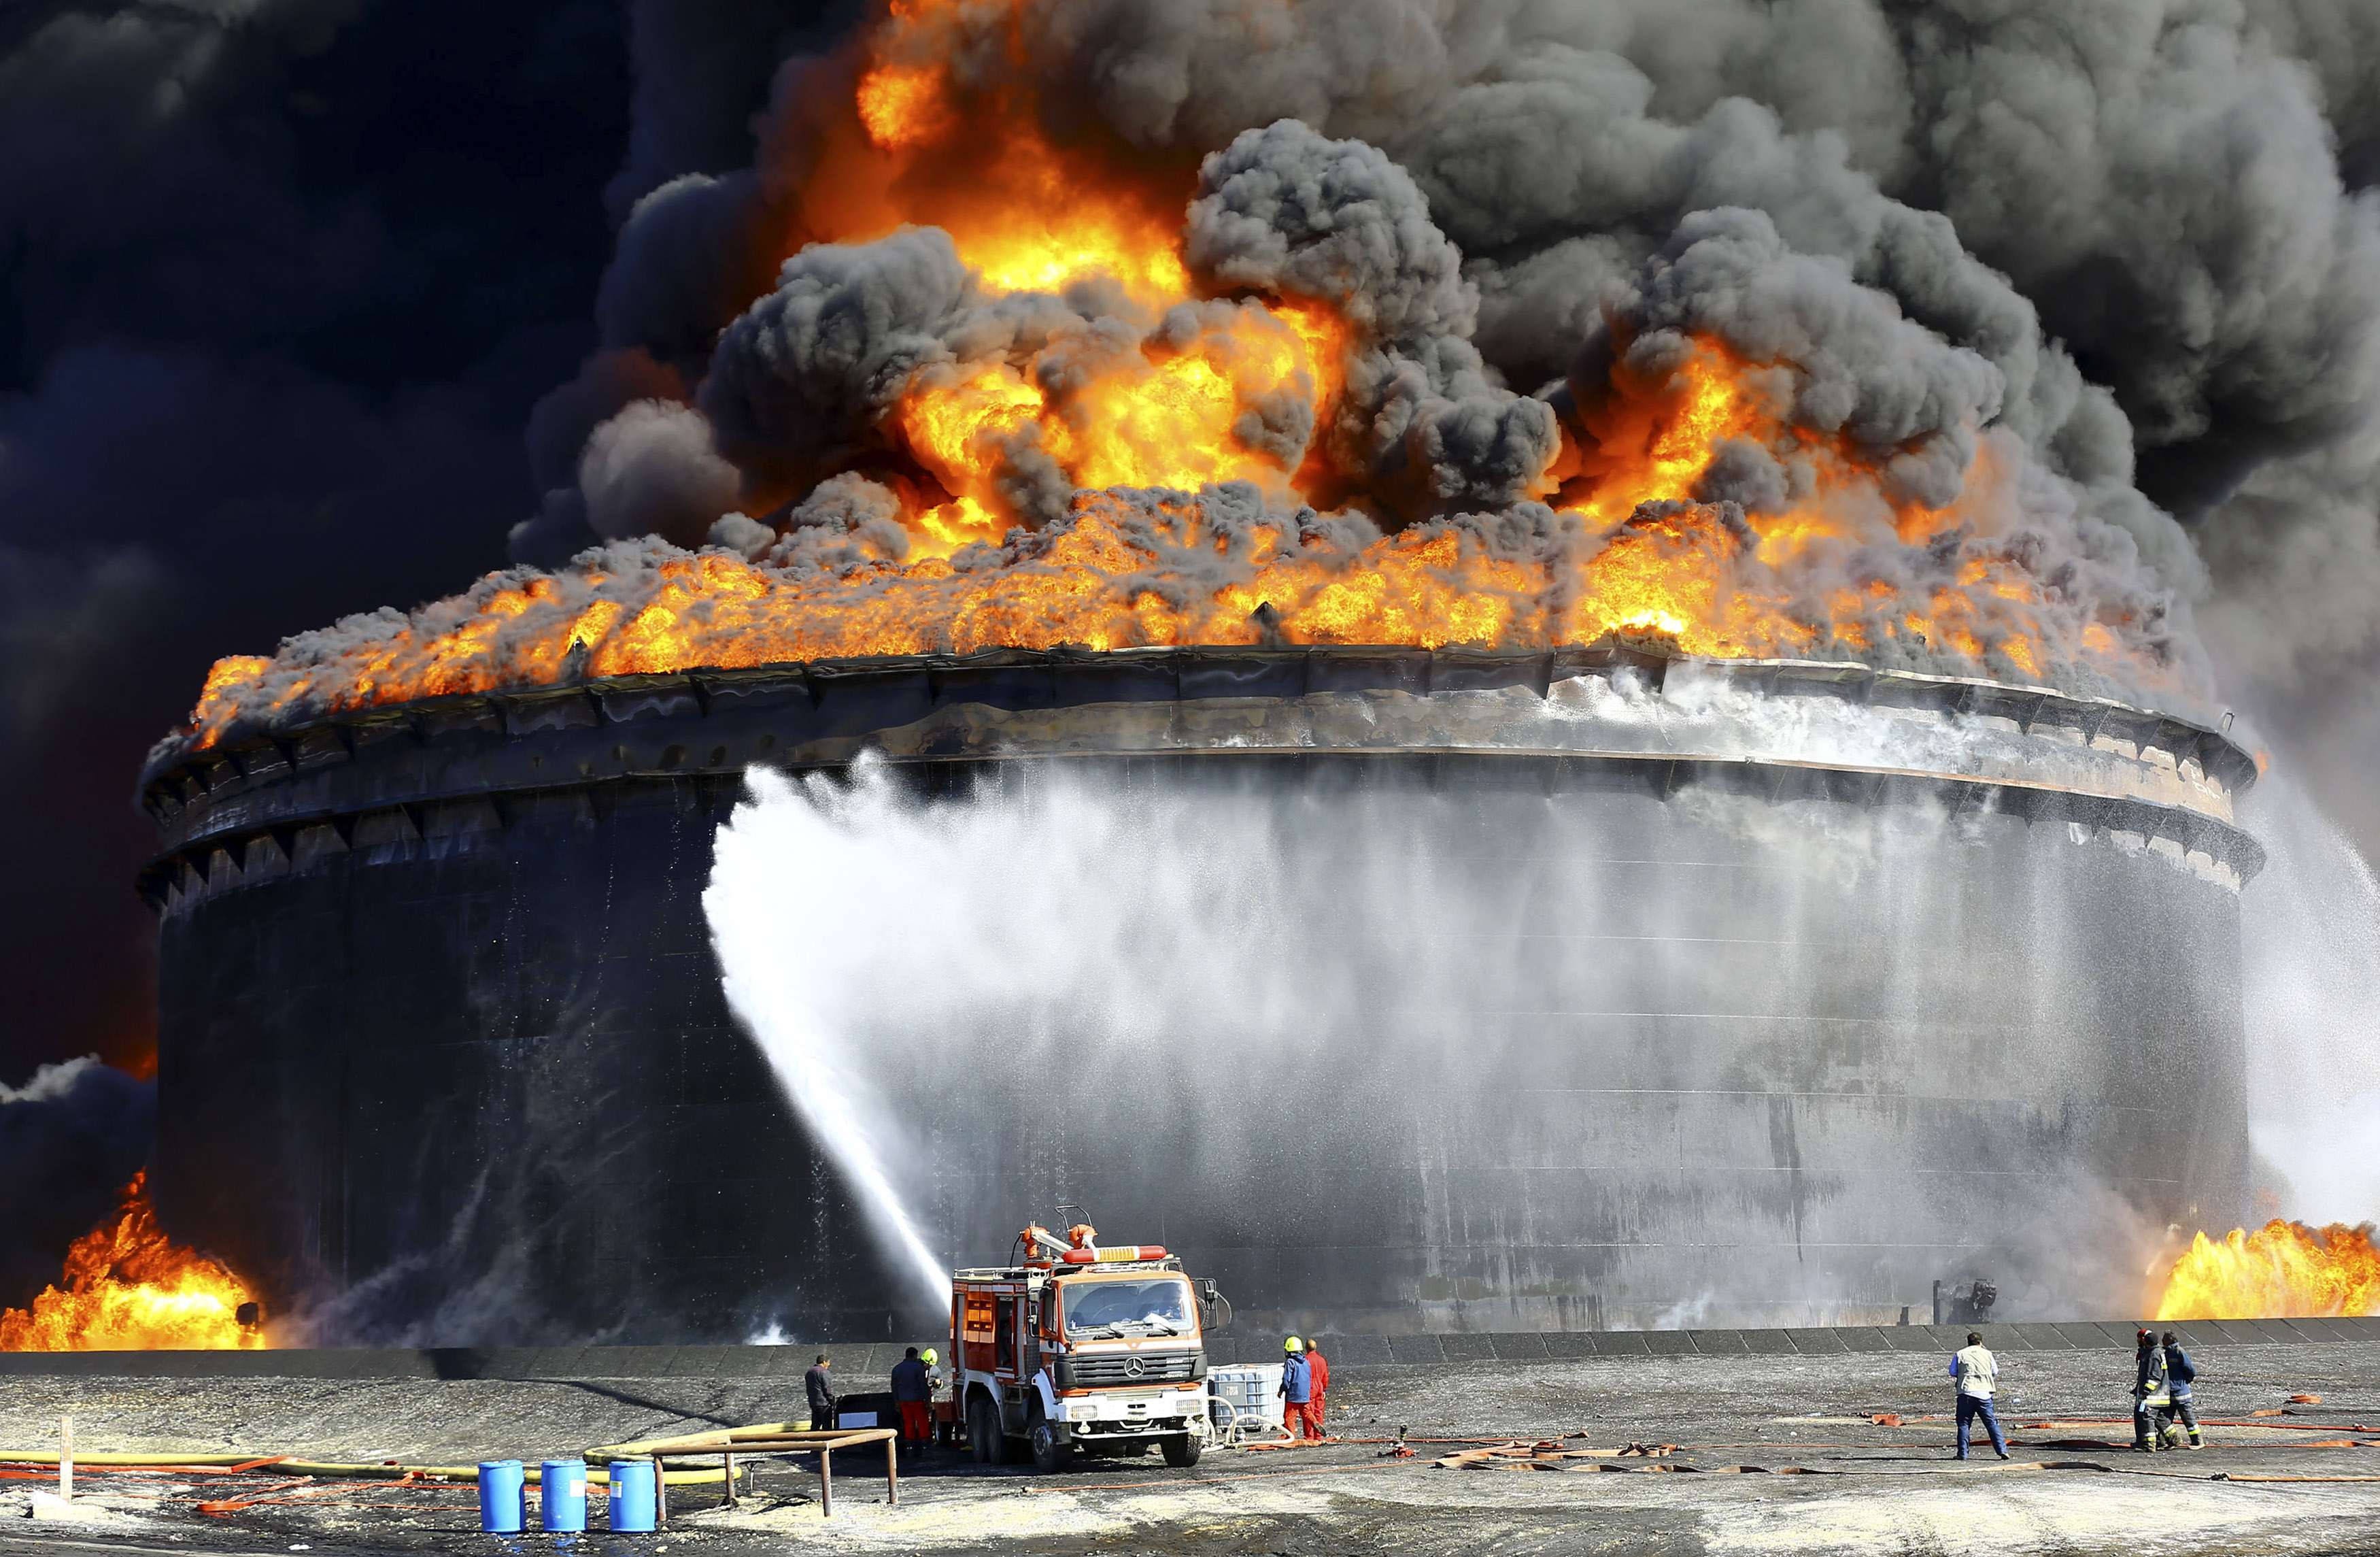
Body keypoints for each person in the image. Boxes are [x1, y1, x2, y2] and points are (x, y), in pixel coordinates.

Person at [1949, 1330, 2009, 1460]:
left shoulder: (1960, 1354)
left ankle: (1963, 1454)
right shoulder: (1988, 1354)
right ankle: (2002, 1450)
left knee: (1964, 1424)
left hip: (1966, 1393)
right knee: (1991, 1423)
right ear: (1980, 1342)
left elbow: (1953, 1372)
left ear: (1968, 1343)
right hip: (1985, 1394)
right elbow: (1995, 1371)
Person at [2160, 1331, 2205, 1448]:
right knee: (2165, 1420)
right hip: (2169, 1394)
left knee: (2188, 1419)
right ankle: (2167, 1441)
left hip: (2181, 1394)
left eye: (2164, 1339)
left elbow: (2191, 1371)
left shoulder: (2179, 1352)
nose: (2162, 1341)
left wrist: (2184, 1382)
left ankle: (2198, 1441)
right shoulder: (2167, 1353)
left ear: (2171, 1339)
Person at [2130, 1328, 2171, 1452]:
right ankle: (2174, 1439)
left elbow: (2154, 1376)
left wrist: (2145, 1392)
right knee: (2159, 1418)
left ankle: (2148, 1445)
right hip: (2157, 1393)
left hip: (2153, 1395)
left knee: (2146, 1417)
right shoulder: (2151, 1352)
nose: (2138, 1341)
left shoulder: (2153, 1354)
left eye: (2139, 1338)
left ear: (2144, 1340)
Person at [890, 1345, 933, 1454]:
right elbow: (923, 1385)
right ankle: (925, 1443)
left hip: (903, 1400)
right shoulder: (919, 1368)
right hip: (917, 1399)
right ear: (915, 1355)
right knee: (922, 1421)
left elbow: (894, 1387)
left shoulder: (897, 1369)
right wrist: (927, 1400)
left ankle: (910, 1443)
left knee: (908, 1422)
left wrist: (897, 1401)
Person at [1278, 1337, 1316, 1441]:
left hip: (1293, 1395)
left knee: (1289, 1417)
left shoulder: (1290, 1362)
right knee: (1306, 1412)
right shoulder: (1306, 1362)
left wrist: (1282, 1390)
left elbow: (1286, 1380)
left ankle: (1291, 1438)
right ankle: (1315, 1422)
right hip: (1305, 1394)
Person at [1304, 1338, 1331, 1440]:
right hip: (1319, 1386)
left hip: (1309, 1388)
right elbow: (1325, 1376)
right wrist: (1324, 1389)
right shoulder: (1322, 1360)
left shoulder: (1305, 1360)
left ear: (1306, 1348)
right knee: (1319, 1411)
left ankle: (1309, 1436)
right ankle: (1319, 1436)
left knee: (1308, 1412)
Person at [805, 1352, 837, 1432]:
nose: (829, 1365)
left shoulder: (809, 1372)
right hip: (824, 1404)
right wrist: (833, 1401)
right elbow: (827, 1389)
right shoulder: (824, 1372)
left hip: (813, 1403)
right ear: (824, 1362)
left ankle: (812, 1442)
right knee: (827, 1427)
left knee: (815, 1426)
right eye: (828, 1363)